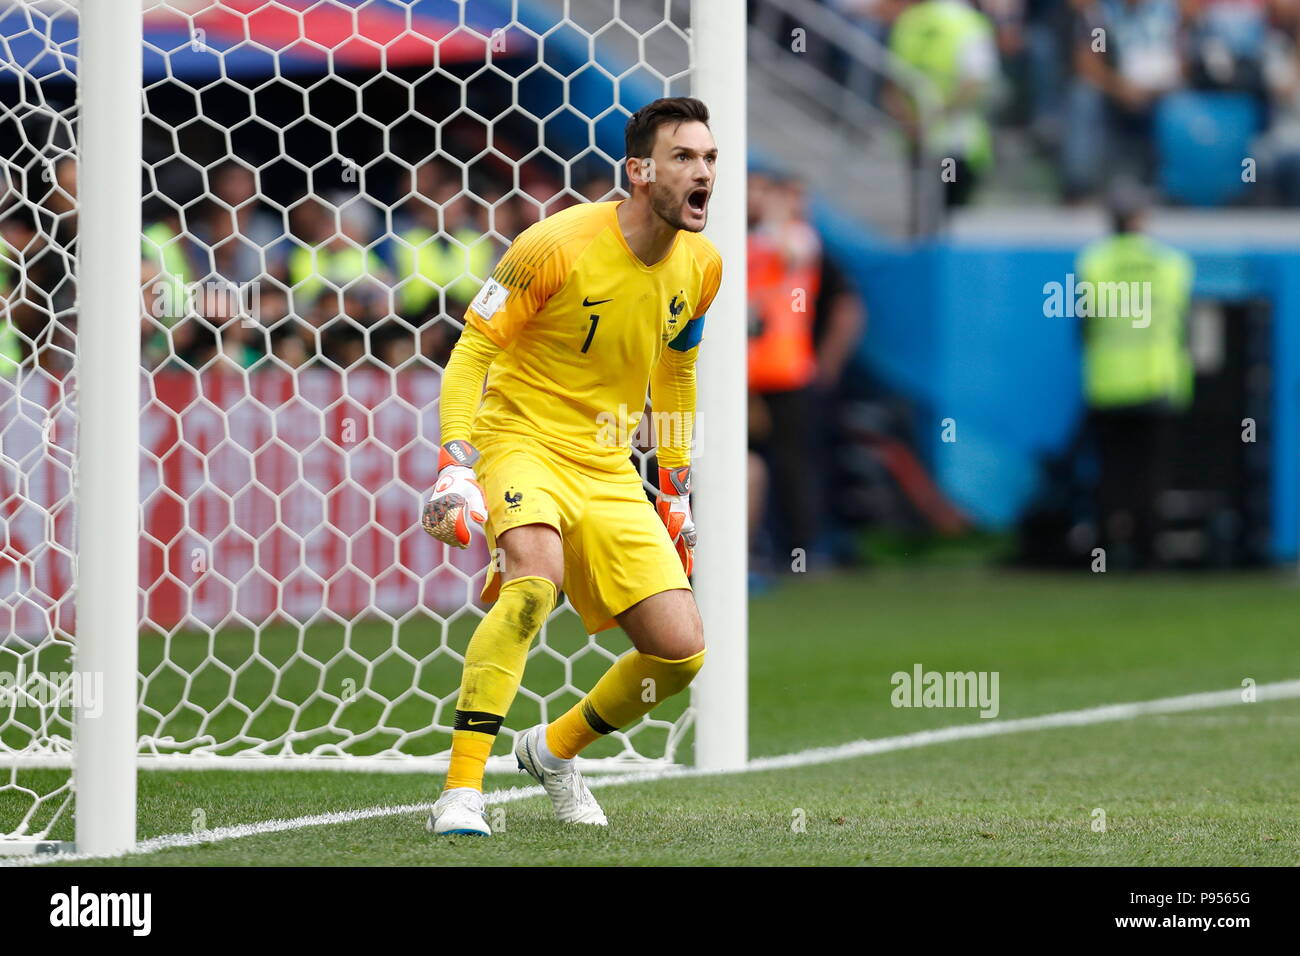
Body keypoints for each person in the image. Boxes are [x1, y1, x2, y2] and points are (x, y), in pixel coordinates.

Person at [421, 97, 721, 836]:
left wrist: (676, 494)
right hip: (521, 436)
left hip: (609, 462)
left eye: (710, 158)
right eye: (684, 157)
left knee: (681, 655)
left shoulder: (704, 268)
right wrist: (456, 464)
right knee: (532, 585)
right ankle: (461, 792)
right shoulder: (553, 243)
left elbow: (675, 377)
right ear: (640, 170)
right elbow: (471, 355)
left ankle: (552, 752)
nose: (703, 172)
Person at [1078, 182, 1194, 568]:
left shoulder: (1093, 262)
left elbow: (1083, 326)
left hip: (1107, 384)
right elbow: (1183, 325)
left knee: (1111, 474)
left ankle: (1105, 552)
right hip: (1156, 383)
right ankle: (1150, 554)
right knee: (1152, 474)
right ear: (1141, 218)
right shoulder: (1171, 263)